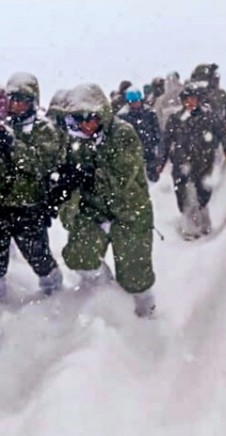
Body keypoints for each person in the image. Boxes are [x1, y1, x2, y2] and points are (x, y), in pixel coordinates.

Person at [59, 83, 157, 318]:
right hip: (94, 211)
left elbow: (122, 179)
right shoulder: (77, 139)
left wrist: (87, 174)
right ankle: (109, 300)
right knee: (79, 255)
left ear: (100, 113)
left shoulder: (123, 133)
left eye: (87, 118)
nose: (83, 125)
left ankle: (146, 315)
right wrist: (66, 201)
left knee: (135, 276)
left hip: (130, 211)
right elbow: (70, 178)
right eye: (77, 119)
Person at [0, 72, 65, 301]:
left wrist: (12, 146)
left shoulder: (44, 129)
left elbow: (41, 162)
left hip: (27, 205)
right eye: (12, 99)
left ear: (32, 101)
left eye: (22, 100)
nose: (15, 105)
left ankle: (56, 297)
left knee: (39, 257)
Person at [161, 83, 226, 239]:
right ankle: (187, 225)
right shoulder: (175, 119)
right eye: (186, 100)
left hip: (203, 161)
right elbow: (166, 141)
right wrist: (160, 161)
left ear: (198, 100)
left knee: (203, 192)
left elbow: (222, 132)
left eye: (193, 99)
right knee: (182, 193)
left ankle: (203, 222)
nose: (189, 103)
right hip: (181, 163)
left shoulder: (209, 117)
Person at [118, 88, 162, 182]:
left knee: (154, 178)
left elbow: (157, 131)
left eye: (136, 101)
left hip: (149, 148)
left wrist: (155, 144)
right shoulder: (123, 116)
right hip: (132, 151)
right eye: (132, 102)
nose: (134, 104)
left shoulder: (150, 113)